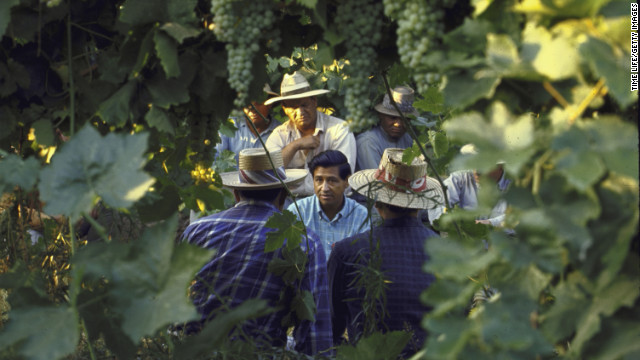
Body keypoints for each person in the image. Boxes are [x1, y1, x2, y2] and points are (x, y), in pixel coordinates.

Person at [182, 148, 333, 355]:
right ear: (284, 194)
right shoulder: (304, 242)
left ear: (236, 192)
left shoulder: (196, 231)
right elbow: (314, 333)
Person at [327, 148, 443, 357]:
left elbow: (331, 327)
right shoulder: (446, 254)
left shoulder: (346, 252)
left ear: (377, 202)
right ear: (419, 204)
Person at [265, 71, 356, 197]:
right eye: (293, 107)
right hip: (289, 205)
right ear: (284, 108)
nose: (300, 112)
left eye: (304, 105)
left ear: (314, 101)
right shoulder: (279, 135)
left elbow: (344, 180)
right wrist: (295, 145)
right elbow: (269, 174)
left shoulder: (339, 130)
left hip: (331, 203)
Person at [287, 150, 369, 258]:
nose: (324, 188)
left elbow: (364, 260)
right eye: (319, 180)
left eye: (332, 181)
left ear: (347, 181)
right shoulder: (297, 211)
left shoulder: (360, 215)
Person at [428, 144, 511, 229]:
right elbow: (436, 204)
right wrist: (450, 220)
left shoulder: (515, 186)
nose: (476, 171)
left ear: (500, 166)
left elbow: (519, 219)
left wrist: (490, 223)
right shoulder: (458, 180)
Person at [355, 86, 418, 171]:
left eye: (404, 119)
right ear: (381, 116)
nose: (398, 124)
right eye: (392, 118)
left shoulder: (407, 139)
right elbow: (376, 180)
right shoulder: (368, 142)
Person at [215, 84, 280, 166]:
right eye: (247, 103)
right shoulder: (229, 126)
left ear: (269, 104)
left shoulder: (281, 132)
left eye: (258, 103)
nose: (252, 109)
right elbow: (215, 158)